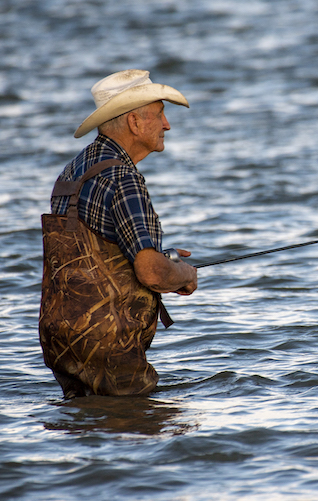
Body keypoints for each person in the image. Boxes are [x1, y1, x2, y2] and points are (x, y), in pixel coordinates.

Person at [39, 70, 198, 398]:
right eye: (159, 114)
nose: (167, 125)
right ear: (135, 123)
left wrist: (164, 257)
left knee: (89, 432)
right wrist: (182, 274)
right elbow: (150, 272)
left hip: (62, 341)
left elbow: (98, 256)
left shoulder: (71, 173)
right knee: (141, 433)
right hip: (109, 342)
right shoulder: (124, 179)